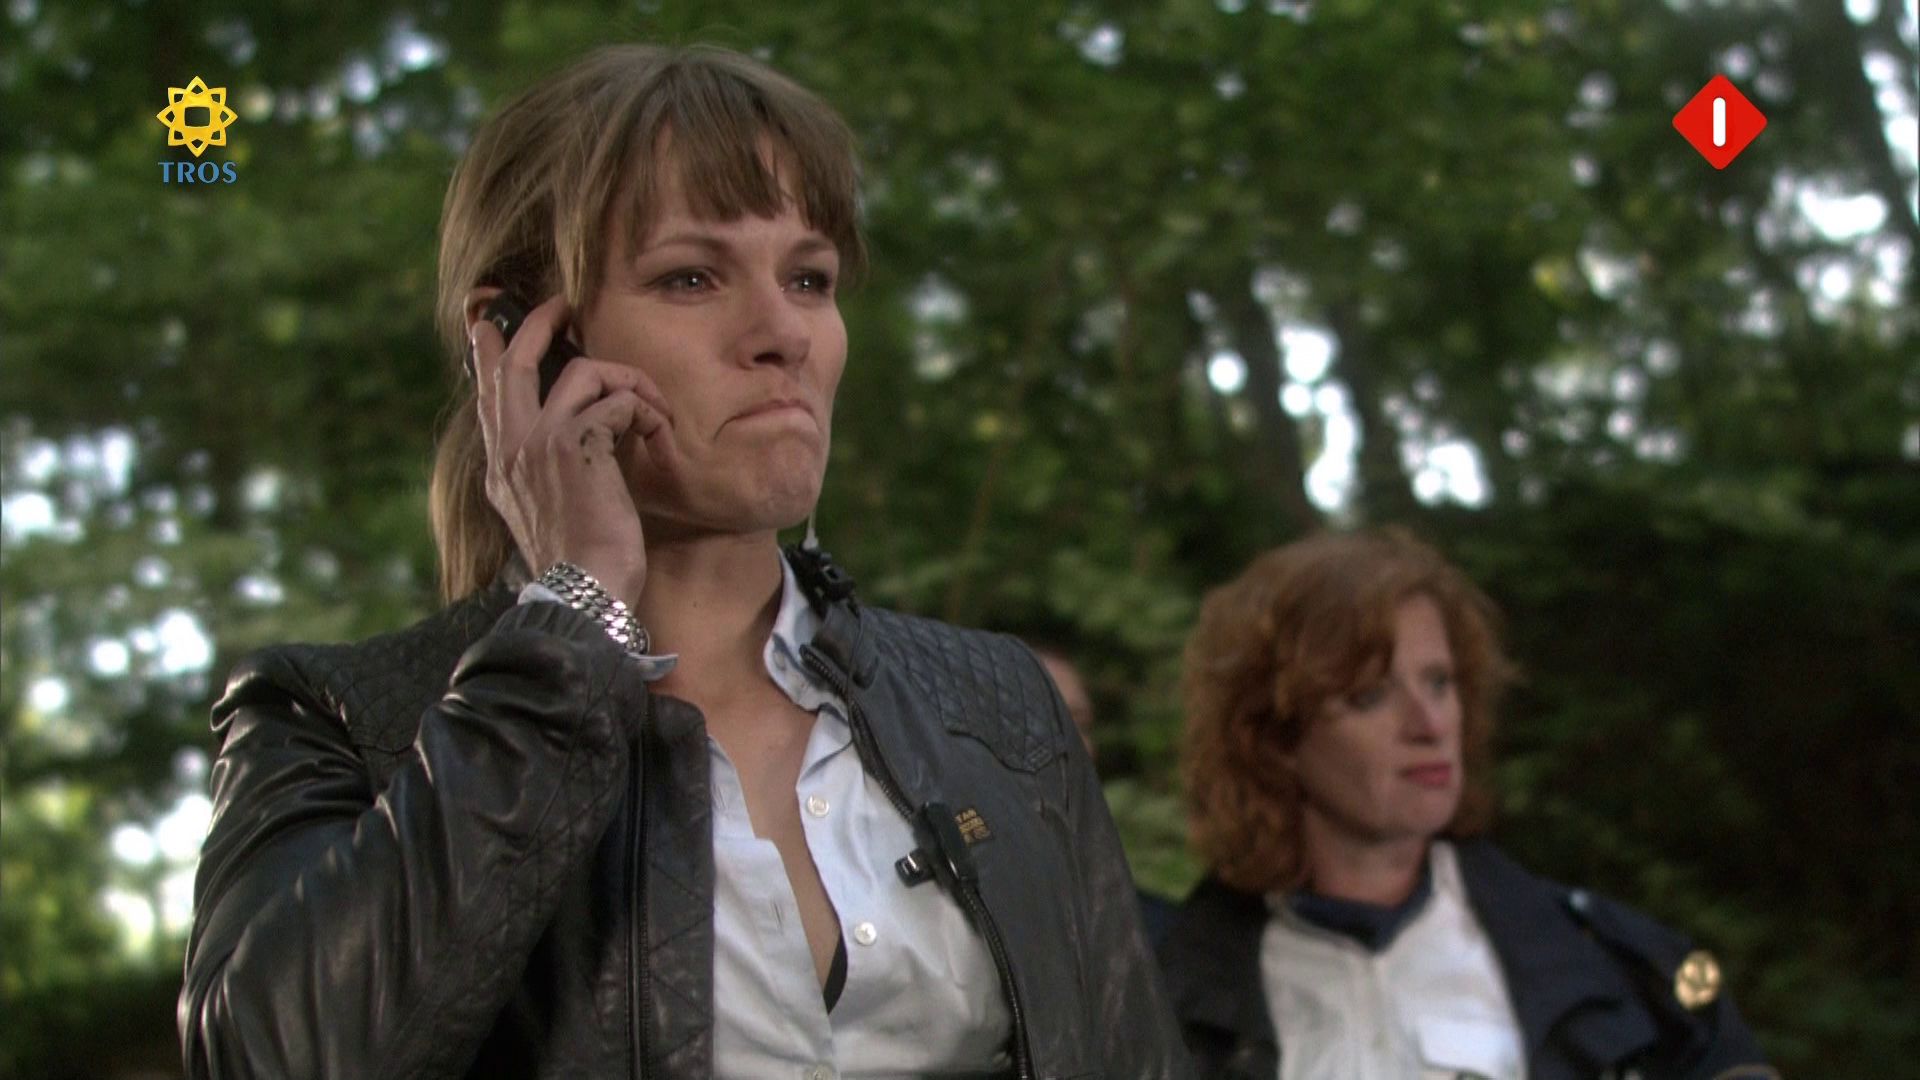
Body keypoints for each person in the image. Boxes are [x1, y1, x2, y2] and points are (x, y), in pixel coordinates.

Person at [177, 43, 1187, 1080]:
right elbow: (269, 1057)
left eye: (809, 278)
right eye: (691, 277)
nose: (783, 332)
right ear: (523, 345)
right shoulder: (344, 721)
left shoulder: (999, 707)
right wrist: (571, 625)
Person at [1158, 529, 1773, 1079]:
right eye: (1369, 696)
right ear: (1275, 739)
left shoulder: (1619, 972)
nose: (1428, 725)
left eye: (1439, 682)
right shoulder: (1169, 995)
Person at [1028, 642, 1180, 948]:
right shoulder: (943, 915)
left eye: (1080, 723)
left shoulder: (1155, 932)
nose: (1071, 742)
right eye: (1045, 721)